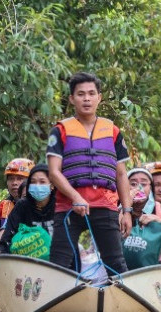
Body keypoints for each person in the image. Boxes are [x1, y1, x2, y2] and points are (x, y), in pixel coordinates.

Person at [47, 72, 132, 273]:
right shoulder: (59, 131)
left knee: (116, 264)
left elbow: (121, 175)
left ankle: (122, 301)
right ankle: (55, 301)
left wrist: (126, 211)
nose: (86, 98)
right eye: (81, 94)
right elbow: (53, 173)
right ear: (72, 99)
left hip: (105, 205)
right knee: (59, 264)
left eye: (91, 93)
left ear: (99, 98)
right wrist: (76, 197)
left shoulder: (113, 131)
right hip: (68, 207)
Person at [0, 164, 56, 256]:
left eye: (42, 182)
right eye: (33, 182)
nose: (37, 186)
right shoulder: (21, 206)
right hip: (27, 263)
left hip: (58, 262)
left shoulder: (60, 205)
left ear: (52, 185)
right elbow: (6, 235)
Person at [125, 167, 161, 264]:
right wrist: (125, 208)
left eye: (144, 184)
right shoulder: (116, 210)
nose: (139, 188)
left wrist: (158, 221)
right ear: (124, 187)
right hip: (123, 269)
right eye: (133, 184)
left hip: (155, 268)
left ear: (150, 188)